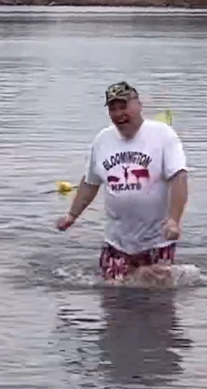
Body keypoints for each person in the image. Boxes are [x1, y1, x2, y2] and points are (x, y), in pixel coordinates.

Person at [56, 81, 189, 281]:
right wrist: (72, 215)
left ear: (138, 105)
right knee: (113, 299)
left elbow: (179, 177)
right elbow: (90, 183)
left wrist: (174, 221)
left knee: (157, 302)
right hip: (116, 242)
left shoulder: (163, 135)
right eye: (113, 108)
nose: (119, 114)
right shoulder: (102, 140)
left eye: (123, 106)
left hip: (157, 240)